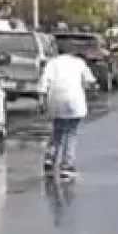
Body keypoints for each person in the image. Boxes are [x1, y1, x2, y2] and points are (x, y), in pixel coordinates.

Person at [39, 46, 97, 178]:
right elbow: (90, 80)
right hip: (74, 101)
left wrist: (42, 99)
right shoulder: (79, 63)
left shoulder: (52, 63)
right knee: (71, 132)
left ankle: (50, 157)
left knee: (57, 130)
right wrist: (91, 91)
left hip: (56, 99)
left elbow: (44, 81)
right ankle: (67, 164)